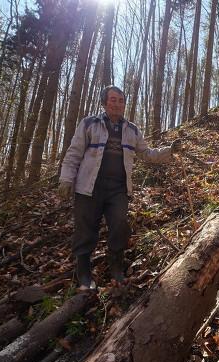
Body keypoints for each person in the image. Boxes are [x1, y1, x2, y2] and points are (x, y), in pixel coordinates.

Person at [58, 85, 181, 290]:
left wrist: (170, 151)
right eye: (113, 100)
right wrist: (66, 179)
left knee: (119, 224)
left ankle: (116, 267)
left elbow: (147, 154)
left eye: (121, 100)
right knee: (85, 228)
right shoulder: (90, 124)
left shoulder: (131, 129)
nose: (117, 104)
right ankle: (84, 272)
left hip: (118, 189)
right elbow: (74, 153)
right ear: (104, 102)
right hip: (89, 186)